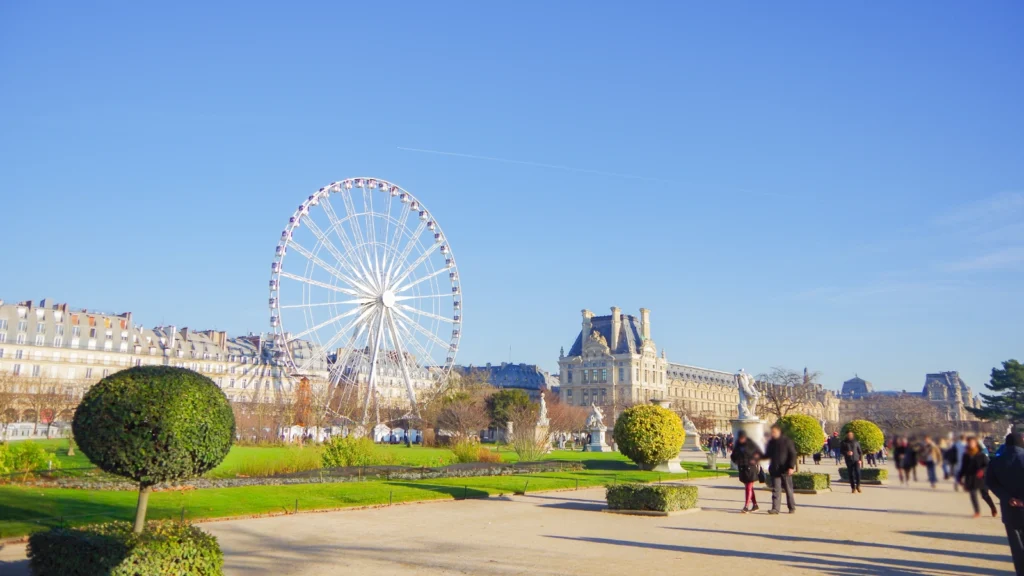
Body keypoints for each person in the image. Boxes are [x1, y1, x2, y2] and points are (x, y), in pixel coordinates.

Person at [985, 432, 1024, 575]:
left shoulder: (996, 462)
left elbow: (990, 482)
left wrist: (1007, 497)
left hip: (1009, 509)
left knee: (1017, 548)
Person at [959, 436, 997, 518]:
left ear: (976, 444)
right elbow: (963, 467)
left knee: (984, 495)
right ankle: (977, 512)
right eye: (969, 443)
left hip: (982, 477)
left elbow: (988, 465)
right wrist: (960, 477)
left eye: (972, 442)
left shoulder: (982, 454)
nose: (971, 444)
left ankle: (993, 507)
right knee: (972, 494)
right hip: (971, 477)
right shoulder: (966, 455)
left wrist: (982, 470)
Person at [765, 423, 797, 515]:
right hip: (775, 469)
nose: (772, 434)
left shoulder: (787, 441)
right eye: (772, 432)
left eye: (774, 432)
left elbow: (792, 454)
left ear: (779, 431)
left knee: (788, 489)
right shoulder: (771, 442)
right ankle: (775, 508)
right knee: (776, 490)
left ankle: (791, 507)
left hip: (785, 469)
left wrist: (791, 467)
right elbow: (767, 454)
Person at [731, 430, 763, 513]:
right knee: (749, 488)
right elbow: (733, 455)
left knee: (748, 487)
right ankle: (755, 505)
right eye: (740, 438)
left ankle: (746, 506)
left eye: (743, 438)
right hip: (742, 468)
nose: (741, 439)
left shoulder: (751, 444)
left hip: (750, 468)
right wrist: (736, 461)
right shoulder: (737, 445)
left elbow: (758, 453)